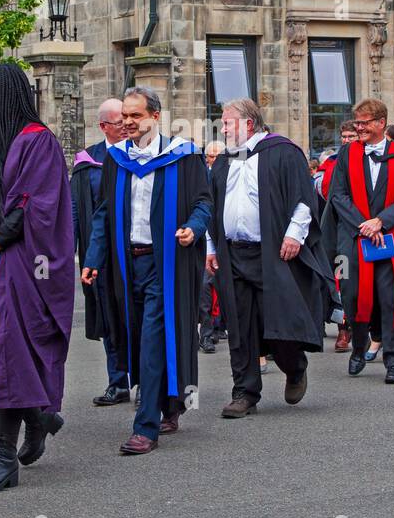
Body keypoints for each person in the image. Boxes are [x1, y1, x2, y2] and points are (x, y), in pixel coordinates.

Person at [0, 64, 75, 493]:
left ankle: (4, 454)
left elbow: (32, 205)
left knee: (12, 351)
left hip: (22, 263)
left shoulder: (37, 141)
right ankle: (39, 415)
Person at [82, 85, 211, 455]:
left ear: (156, 116)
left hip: (166, 262)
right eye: (124, 116)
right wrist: (93, 258)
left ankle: (145, 425)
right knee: (136, 336)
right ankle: (170, 404)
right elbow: (104, 212)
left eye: (135, 115)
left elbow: (204, 202)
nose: (128, 122)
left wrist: (194, 227)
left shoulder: (183, 157)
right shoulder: (116, 159)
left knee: (156, 336)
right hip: (126, 264)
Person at [206, 99, 335, 418]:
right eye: (221, 123)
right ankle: (244, 391)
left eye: (227, 122)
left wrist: (294, 234)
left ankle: (294, 365)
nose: (222, 128)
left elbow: (303, 199)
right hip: (232, 253)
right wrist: (210, 248)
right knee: (239, 324)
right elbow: (210, 206)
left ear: (249, 124)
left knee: (279, 318)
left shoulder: (283, 152)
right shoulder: (224, 161)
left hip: (272, 252)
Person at [322, 98, 394, 384]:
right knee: (356, 296)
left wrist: (381, 221)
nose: (358, 128)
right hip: (355, 237)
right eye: (356, 123)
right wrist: (364, 224)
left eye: (363, 123)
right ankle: (358, 350)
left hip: (390, 240)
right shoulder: (347, 156)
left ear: (381, 123)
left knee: (391, 298)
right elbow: (338, 196)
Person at [71, 98, 131, 406]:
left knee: (138, 316)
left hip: (135, 251)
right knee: (109, 317)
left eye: (127, 120)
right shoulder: (87, 161)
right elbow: (74, 208)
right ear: (104, 126)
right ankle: (118, 381)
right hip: (101, 256)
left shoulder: (141, 154)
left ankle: (146, 381)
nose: (125, 126)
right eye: (119, 122)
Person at [318, 120, 358, 352]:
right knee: (341, 281)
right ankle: (344, 329)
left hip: (364, 230)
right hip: (338, 229)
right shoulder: (334, 163)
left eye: (350, 136)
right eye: (343, 136)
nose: (345, 140)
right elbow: (325, 192)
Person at [198, 141, 227, 353]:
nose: (214, 159)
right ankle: (205, 335)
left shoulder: (230, 175)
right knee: (205, 290)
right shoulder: (201, 178)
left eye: (218, 156)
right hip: (206, 239)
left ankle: (221, 327)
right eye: (210, 156)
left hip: (228, 239)